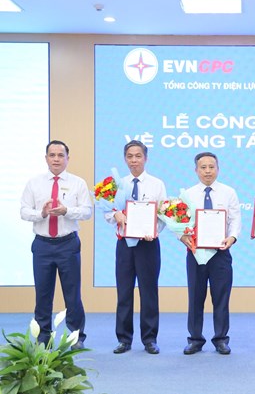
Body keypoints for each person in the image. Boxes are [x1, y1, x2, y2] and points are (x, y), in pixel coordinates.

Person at [20, 140, 92, 349]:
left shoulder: (78, 183)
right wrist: (41, 214)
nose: (56, 159)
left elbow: (87, 211)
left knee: (72, 294)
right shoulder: (34, 183)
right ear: (46, 158)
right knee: (43, 294)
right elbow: (24, 211)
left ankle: (76, 336)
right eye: (52, 155)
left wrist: (66, 211)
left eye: (61, 155)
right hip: (42, 245)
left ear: (68, 159)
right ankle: (43, 337)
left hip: (67, 244)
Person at [106, 140, 166, 355]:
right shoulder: (117, 184)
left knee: (149, 292)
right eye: (130, 156)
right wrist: (115, 214)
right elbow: (107, 211)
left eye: (138, 156)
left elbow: (164, 214)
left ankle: (150, 339)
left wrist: (153, 230)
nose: (134, 160)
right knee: (124, 292)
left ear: (145, 158)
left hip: (148, 244)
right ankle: (124, 339)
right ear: (125, 159)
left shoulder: (156, 184)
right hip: (124, 244)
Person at [180, 152, 241, 356]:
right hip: (195, 252)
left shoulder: (228, 192)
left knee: (221, 298)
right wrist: (182, 237)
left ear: (218, 169)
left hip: (220, 253)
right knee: (195, 297)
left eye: (211, 167)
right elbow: (179, 221)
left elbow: (235, 219)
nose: (207, 171)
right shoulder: (188, 194)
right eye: (203, 167)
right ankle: (195, 339)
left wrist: (232, 238)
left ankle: (221, 339)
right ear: (196, 170)